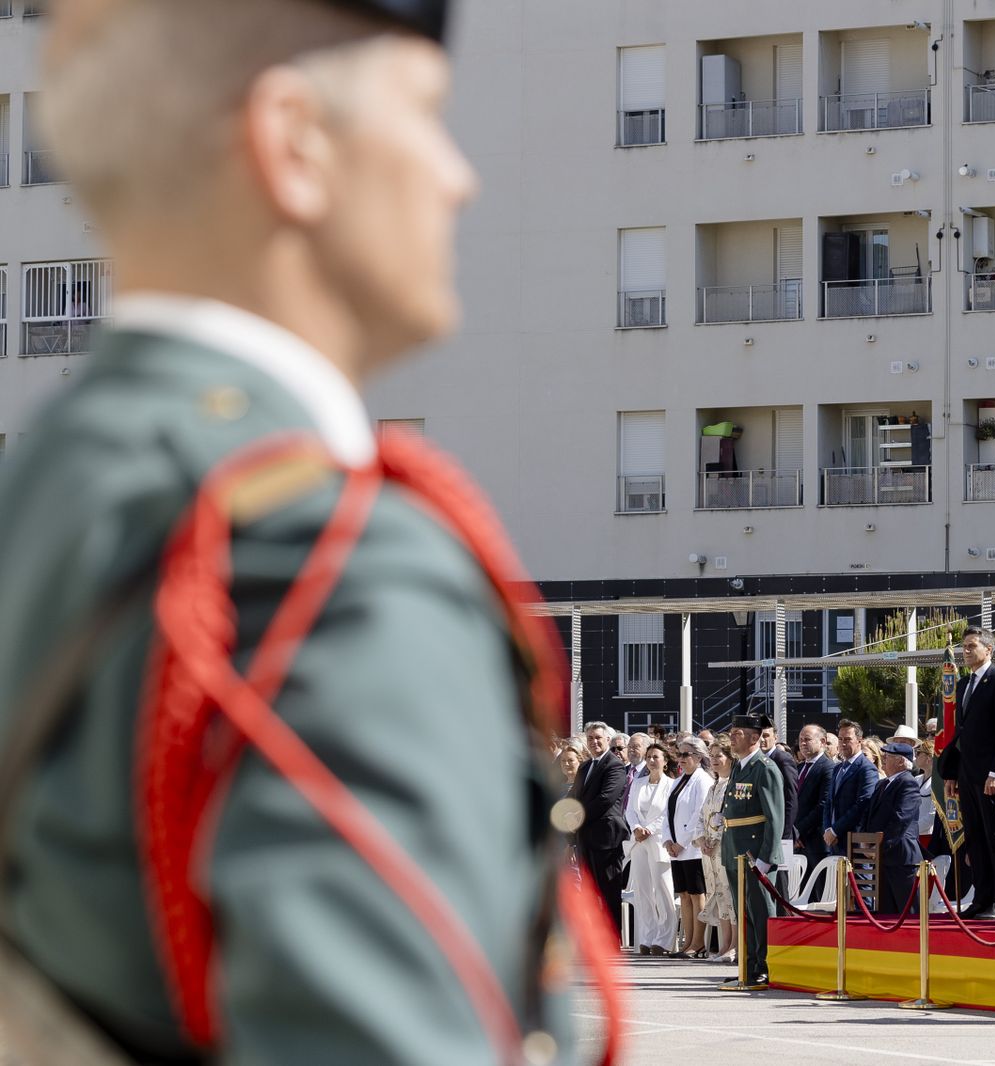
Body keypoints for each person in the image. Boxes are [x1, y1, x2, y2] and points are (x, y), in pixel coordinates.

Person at [0, 3, 606, 1063]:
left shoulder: (46, 484)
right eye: (425, 114)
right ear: (295, 144)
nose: (455, 176)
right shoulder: (330, 560)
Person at [952, 628, 995, 920]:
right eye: (964, 647)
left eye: (971, 646)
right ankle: (982, 897)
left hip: (990, 775)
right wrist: (954, 773)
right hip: (968, 773)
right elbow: (960, 733)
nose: (966, 651)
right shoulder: (964, 684)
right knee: (975, 836)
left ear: (989, 650)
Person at [718, 713, 785, 988]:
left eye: (739, 733)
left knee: (760, 912)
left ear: (755, 737)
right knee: (742, 911)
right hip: (735, 848)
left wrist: (766, 859)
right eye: (732, 732)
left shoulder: (765, 768)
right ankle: (747, 964)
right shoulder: (739, 767)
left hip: (755, 853)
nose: (732, 737)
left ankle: (765, 966)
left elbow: (775, 816)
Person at [574, 722, 631, 933]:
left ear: (608, 739)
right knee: (590, 892)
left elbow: (605, 799)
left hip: (606, 839)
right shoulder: (585, 766)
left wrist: (577, 816)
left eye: (598, 737)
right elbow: (574, 796)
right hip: (585, 838)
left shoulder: (614, 765)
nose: (594, 742)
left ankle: (612, 939)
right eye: (590, 738)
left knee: (608, 891)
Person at [624, 744, 677, 956]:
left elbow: (667, 814)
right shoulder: (638, 783)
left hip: (658, 841)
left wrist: (649, 829)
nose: (652, 760)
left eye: (656, 757)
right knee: (643, 891)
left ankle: (664, 939)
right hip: (638, 842)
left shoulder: (671, 785)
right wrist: (637, 828)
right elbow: (630, 810)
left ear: (665, 761)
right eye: (648, 757)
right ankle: (647, 936)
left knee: (663, 890)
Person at [664, 739, 713, 959]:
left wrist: (681, 843)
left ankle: (698, 943)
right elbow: (668, 813)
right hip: (676, 849)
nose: (682, 758)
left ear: (699, 756)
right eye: (680, 754)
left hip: (692, 848)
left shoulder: (703, 780)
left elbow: (698, 815)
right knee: (683, 894)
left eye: (687, 754)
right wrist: (667, 840)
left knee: (696, 894)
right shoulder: (678, 781)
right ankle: (686, 942)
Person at [862, 741, 923, 915]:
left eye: (888, 757)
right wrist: (867, 840)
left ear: (901, 762)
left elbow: (900, 819)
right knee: (886, 912)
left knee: (907, 912)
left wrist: (879, 845)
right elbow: (870, 814)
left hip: (901, 857)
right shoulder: (883, 784)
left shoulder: (908, 783)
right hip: (883, 856)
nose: (883, 759)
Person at [695, 742, 736, 963]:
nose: (714, 760)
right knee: (717, 896)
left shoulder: (733, 784)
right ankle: (723, 945)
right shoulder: (714, 786)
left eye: (719, 755)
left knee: (730, 896)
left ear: (730, 757)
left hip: (724, 848)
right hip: (709, 851)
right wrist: (701, 839)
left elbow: (730, 818)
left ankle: (734, 945)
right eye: (711, 756)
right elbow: (702, 817)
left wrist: (715, 839)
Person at [824, 719, 879, 856]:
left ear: (859, 741)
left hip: (854, 843)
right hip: (834, 842)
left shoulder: (866, 769)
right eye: (840, 739)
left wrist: (835, 830)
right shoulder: (838, 768)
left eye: (848, 739)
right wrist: (827, 830)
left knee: (854, 878)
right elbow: (829, 802)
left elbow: (862, 804)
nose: (843, 743)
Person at [791, 724, 836, 873]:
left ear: (822, 741)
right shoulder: (799, 767)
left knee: (820, 893)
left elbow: (823, 805)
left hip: (816, 843)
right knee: (799, 893)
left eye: (807, 739)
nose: (802, 743)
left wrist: (799, 831)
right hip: (797, 843)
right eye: (800, 739)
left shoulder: (828, 767)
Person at [758, 723, 801, 849]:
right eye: (759, 735)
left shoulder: (782, 759)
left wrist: (784, 834)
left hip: (780, 832)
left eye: (766, 735)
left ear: (775, 737)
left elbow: (790, 798)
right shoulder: (756, 760)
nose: (762, 739)